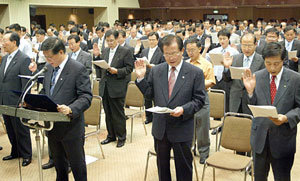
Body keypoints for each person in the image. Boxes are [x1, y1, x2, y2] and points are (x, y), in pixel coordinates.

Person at [135, 34, 206, 181]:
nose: (170, 57)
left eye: (174, 53)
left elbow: (199, 100)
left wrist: (184, 109)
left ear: (182, 51)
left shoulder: (195, 73)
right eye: (167, 54)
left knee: (184, 169)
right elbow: (149, 95)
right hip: (161, 129)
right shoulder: (156, 71)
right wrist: (141, 78)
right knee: (162, 169)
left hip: (182, 127)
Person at [31, 37, 92, 180]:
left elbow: (86, 97)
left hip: (70, 127)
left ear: (61, 52)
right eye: (45, 57)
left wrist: (71, 109)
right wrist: (34, 101)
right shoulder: (48, 68)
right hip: (52, 126)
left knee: (77, 167)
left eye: (50, 57)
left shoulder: (77, 68)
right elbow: (46, 92)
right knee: (60, 167)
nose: (47, 60)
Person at [243, 42, 300, 181]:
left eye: (276, 63)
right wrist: (250, 93)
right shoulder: (258, 76)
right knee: (259, 177)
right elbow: (253, 106)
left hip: (283, 139)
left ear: (283, 61)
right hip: (260, 138)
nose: (272, 68)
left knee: (282, 177)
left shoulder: (295, 79)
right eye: (268, 63)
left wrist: (286, 118)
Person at [94, 30, 134, 148]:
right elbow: (99, 68)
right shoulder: (105, 50)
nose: (110, 43)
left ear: (117, 39)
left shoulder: (125, 51)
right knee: (108, 113)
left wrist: (117, 71)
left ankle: (121, 137)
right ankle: (111, 135)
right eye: (108, 41)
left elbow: (129, 69)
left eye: (112, 40)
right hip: (105, 86)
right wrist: (96, 57)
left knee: (118, 113)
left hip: (117, 86)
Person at [0, 32, 32, 166]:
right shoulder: (5, 58)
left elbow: (26, 82)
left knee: (21, 129)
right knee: (10, 128)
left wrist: (24, 100)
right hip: (4, 99)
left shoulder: (23, 58)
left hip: (16, 100)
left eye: (5, 41)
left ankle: (26, 154)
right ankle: (15, 151)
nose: (2, 43)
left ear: (14, 42)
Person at [185, 38, 215, 164]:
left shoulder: (206, 64)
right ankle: (189, 149)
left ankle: (204, 152)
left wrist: (197, 84)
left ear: (199, 49)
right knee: (188, 125)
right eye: (188, 50)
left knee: (202, 127)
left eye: (192, 50)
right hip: (186, 98)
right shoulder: (185, 63)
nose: (190, 53)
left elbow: (211, 81)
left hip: (201, 97)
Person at [223, 33, 265, 114]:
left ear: (255, 44)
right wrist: (227, 68)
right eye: (244, 45)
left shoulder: (262, 60)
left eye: (249, 45)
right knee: (235, 123)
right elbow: (226, 79)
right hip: (235, 97)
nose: (246, 48)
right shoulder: (235, 58)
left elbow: (263, 82)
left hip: (252, 98)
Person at [139, 32, 165, 124]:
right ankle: (148, 117)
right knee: (147, 98)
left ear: (157, 40)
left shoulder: (161, 52)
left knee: (157, 98)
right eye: (150, 40)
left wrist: (153, 66)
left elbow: (163, 66)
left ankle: (158, 116)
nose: (151, 41)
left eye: (153, 40)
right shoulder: (144, 51)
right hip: (146, 76)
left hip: (157, 77)